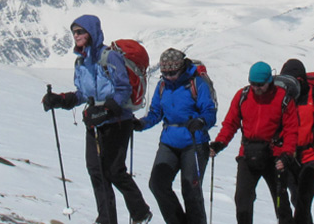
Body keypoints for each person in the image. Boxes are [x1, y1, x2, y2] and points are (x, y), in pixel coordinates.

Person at [41, 15, 153, 224]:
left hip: (118, 122)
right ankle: (106, 219)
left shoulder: (110, 58)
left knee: (113, 171)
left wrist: (106, 111)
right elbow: (83, 94)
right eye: (74, 32)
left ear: (92, 32)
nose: (76, 36)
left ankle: (140, 212)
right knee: (96, 171)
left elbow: (123, 89)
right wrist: (60, 100)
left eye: (81, 31)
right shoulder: (81, 62)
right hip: (94, 123)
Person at [209, 61, 298, 224]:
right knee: (242, 202)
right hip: (247, 155)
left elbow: (292, 130)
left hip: (275, 158)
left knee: (282, 205)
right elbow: (231, 123)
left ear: (269, 81)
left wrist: (286, 155)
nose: (256, 88)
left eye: (260, 85)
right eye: (253, 84)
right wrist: (220, 143)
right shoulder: (243, 96)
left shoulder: (283, 99)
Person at [135, 48, 217, 224]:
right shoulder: (163, 85)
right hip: (169, 141)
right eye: (165, 73)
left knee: (191, 189)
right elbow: (156, 112)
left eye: (172, 73)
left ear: (181, 68)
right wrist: (141, 124)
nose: (169, 76)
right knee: (157, 184)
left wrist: (201, 122)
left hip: (195, 142)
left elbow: (210, 111)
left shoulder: (197, 83)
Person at [279, 59, 314, 224]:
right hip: (288, 157)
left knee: (303, 200)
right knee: (296, 199)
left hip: (312, 156)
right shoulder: (283, 98)